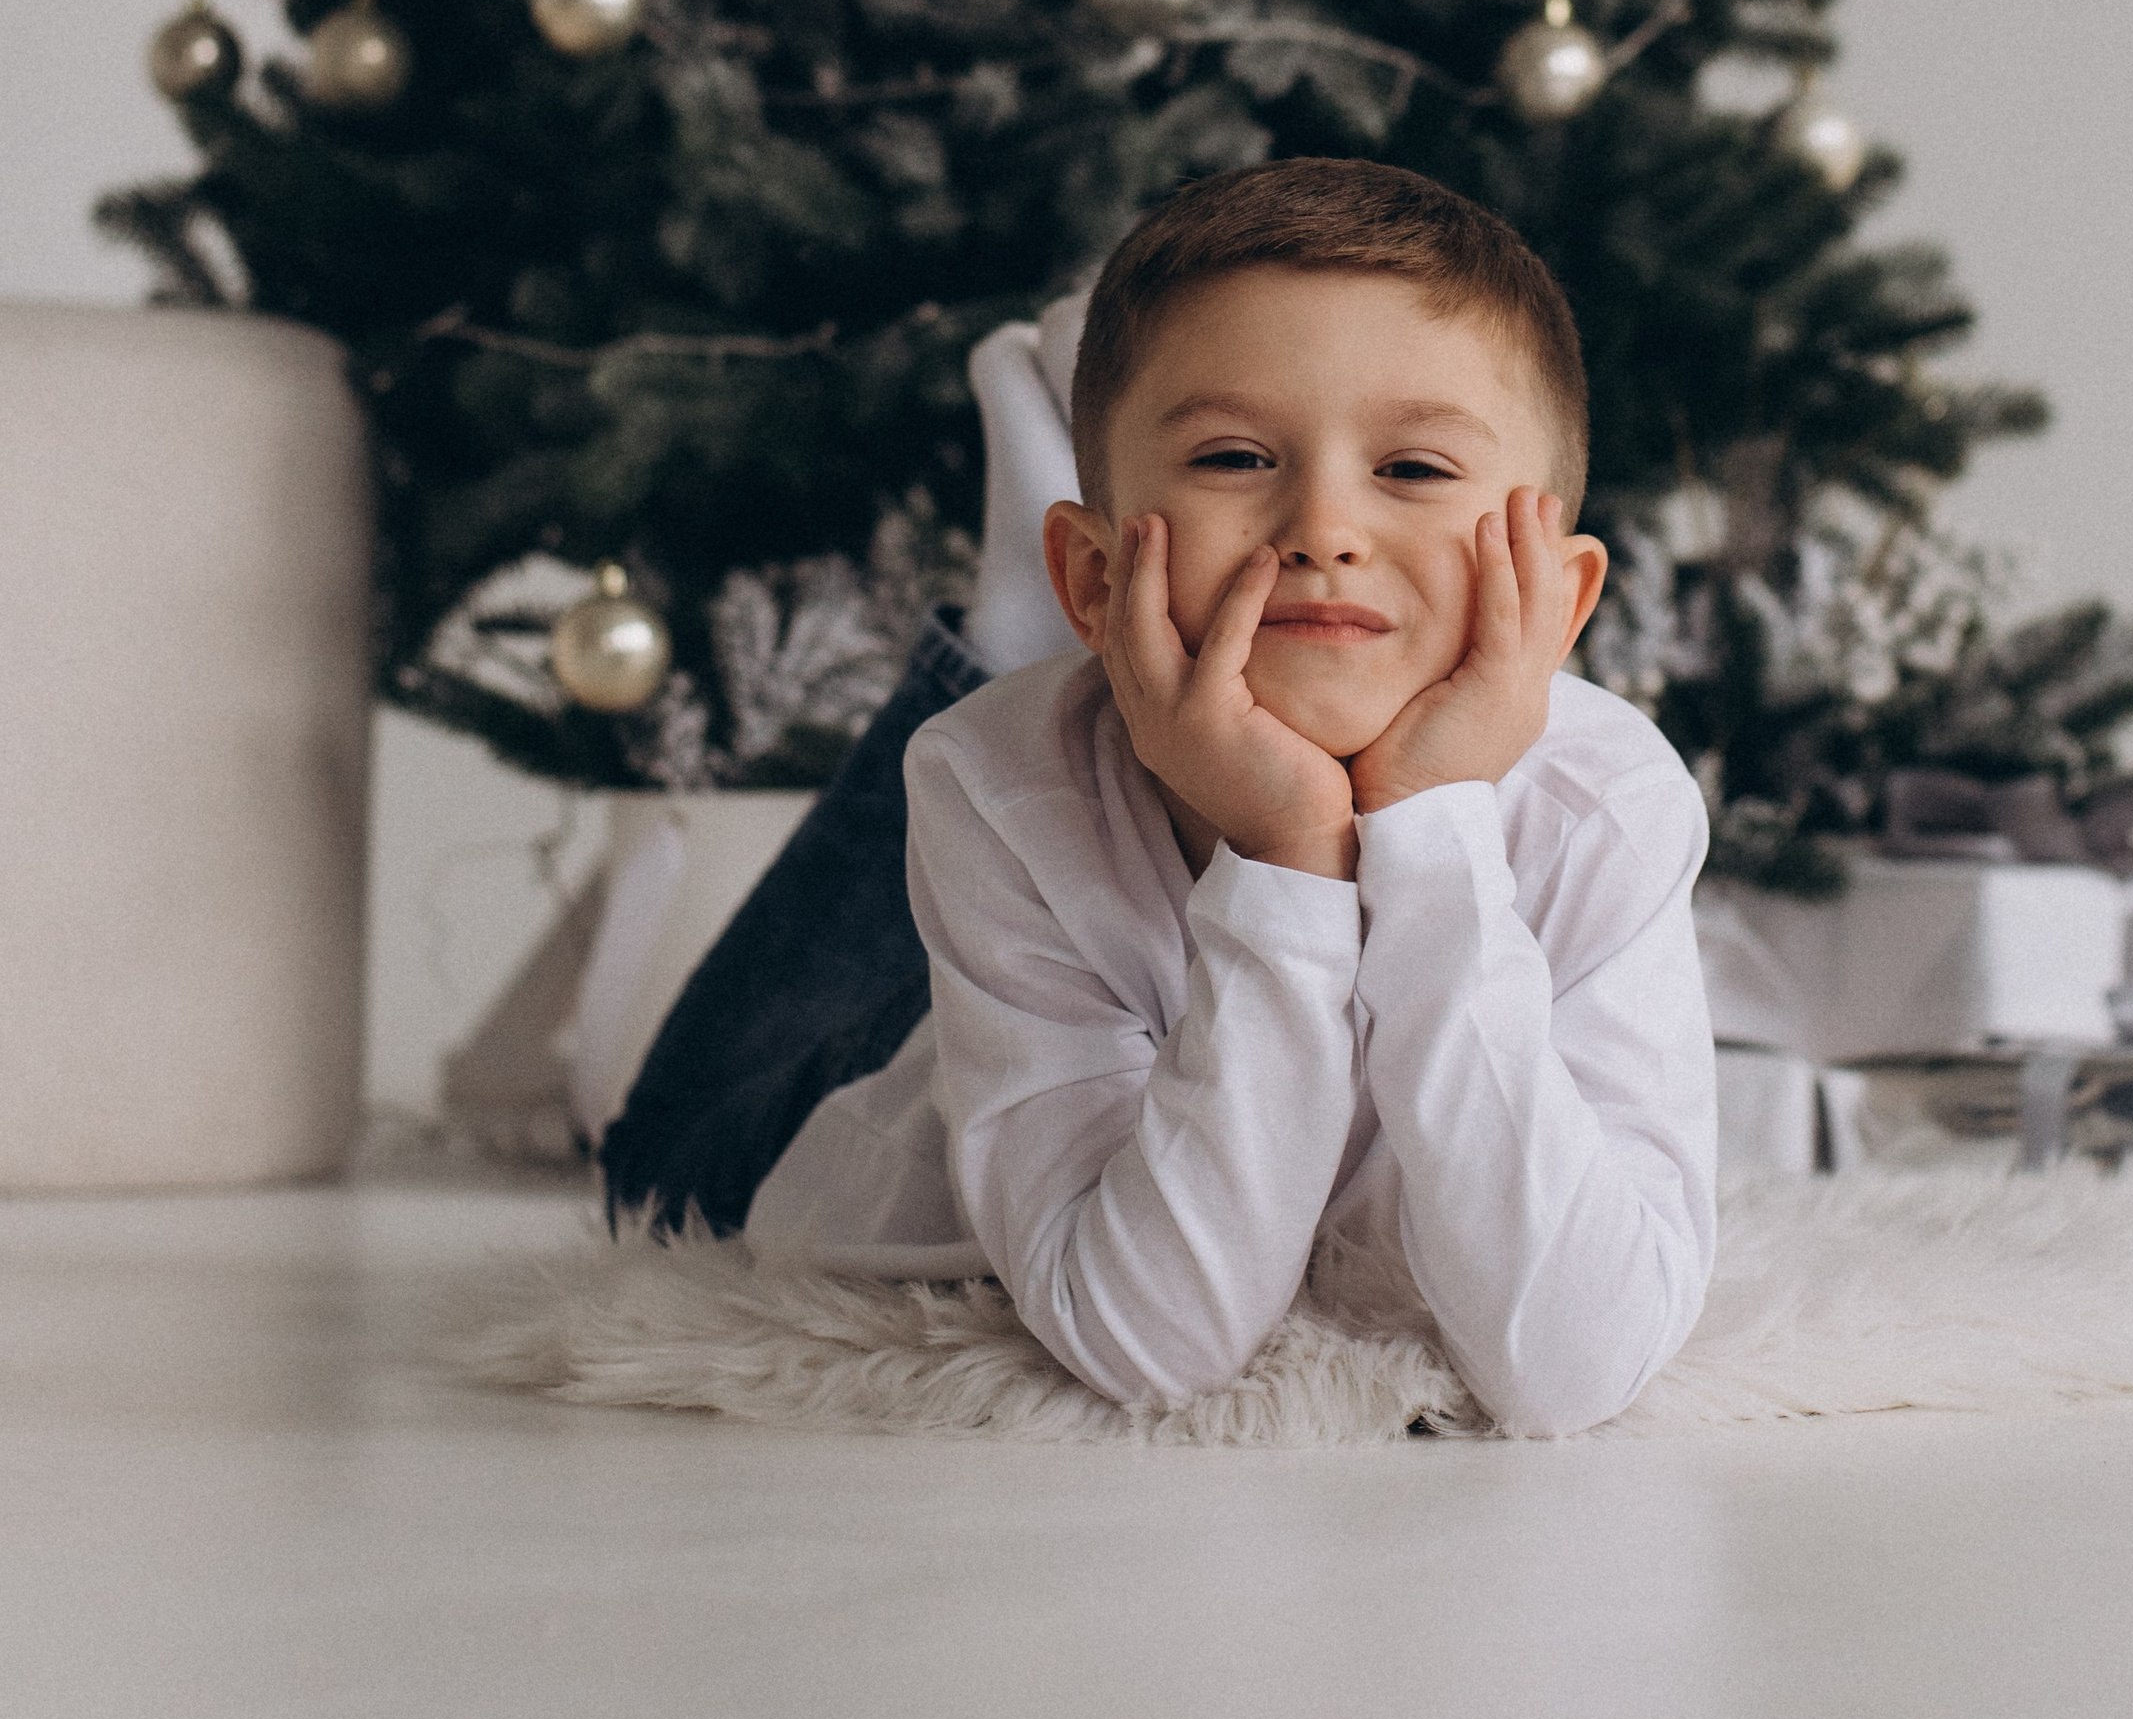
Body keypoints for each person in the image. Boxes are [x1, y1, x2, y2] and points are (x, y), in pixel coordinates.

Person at [603, 160, 1718, 1436]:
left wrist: (1434, 829)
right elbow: (1151, 1342)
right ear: (1097, 567)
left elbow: (1575, 1364)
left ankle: (1032, 629)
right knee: (668, 1159)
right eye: (1237, 455)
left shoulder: (1607, 801)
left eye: (1413, 467)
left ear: (1563, 596)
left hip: (1099, 865)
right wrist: (1291, 856)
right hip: (843, 1138)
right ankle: (1030, 630)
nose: (1324, 525)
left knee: (1043, 790)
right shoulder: (994, 776)